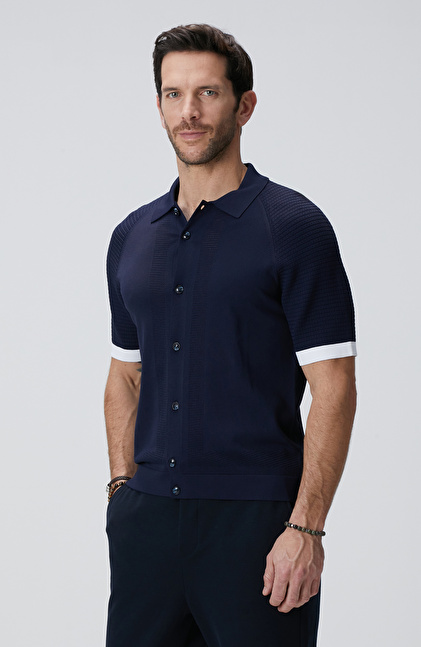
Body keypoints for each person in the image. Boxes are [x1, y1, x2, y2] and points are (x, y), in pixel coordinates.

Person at [104, 23, 357, 647]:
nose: (188, 112)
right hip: (147, 526)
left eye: (208, 93)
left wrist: (307, 528)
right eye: (173, 94)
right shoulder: (132, 236)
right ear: (159, 105)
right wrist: (121, 492)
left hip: (258, 528)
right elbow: (124, 374)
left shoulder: (294, 227)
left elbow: (334, 386)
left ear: (244, 105)